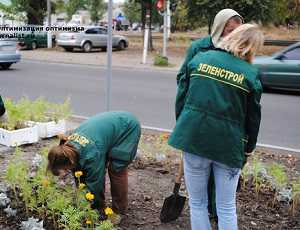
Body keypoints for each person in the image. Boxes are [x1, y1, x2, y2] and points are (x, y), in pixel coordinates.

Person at [168, 24, 264, 230]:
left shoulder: (200, 60)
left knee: (197, 203)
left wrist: (184, 129)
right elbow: (253, 118)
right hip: (229, 147)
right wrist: (249, 147)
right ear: (251, 47)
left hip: (194, 139)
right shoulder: (250, 74)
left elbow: (181, 99)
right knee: (227, 207)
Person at [176, 8, 244, 218]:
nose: (232, 36)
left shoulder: (240, 50)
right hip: (198, 121)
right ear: (218, 28)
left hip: (226, 124)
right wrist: (182, 123)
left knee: (221, 177)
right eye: (228, 30)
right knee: (200, 174)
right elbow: (183, 82)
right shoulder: (199, 48)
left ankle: (215, 212)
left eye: (237, 31)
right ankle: (206, 211)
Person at [47, 111, 141, 219]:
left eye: (64, 169)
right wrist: (83, 199)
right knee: (97, 162)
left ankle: (119, 210)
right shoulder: (68, 149)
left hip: (127, 128)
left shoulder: (91, 156)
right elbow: (79, 175)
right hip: (105, 132)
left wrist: (96, 208)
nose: (65, 172)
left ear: (69, 162)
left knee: (116, 169)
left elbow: (96, 182)